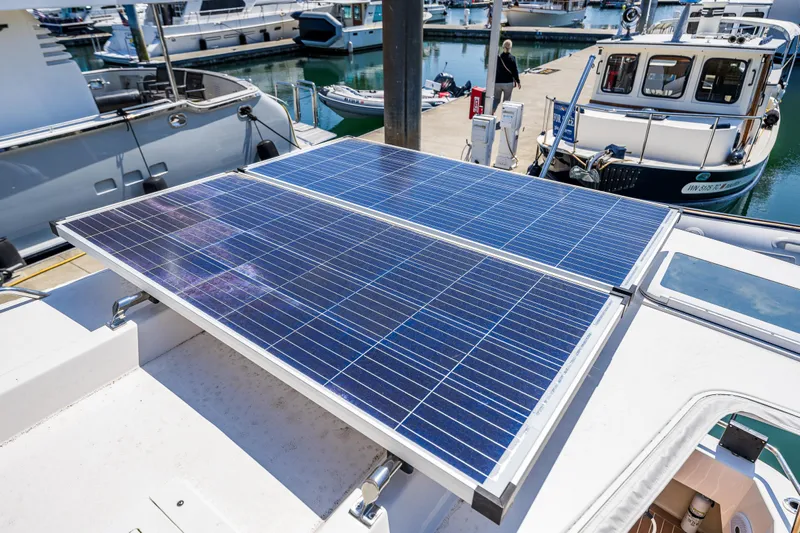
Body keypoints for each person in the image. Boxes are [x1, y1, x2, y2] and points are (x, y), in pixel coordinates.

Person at [493, 39, 521, 113]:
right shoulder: (512, 58)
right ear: (510, 48)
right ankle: (505, 118)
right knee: (506, 102)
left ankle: (491, 113)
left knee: (496, 100)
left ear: (502, 47)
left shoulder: (498, 58)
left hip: (497, 82)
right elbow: (515, 71)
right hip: (508, 83)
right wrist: (518, 82)